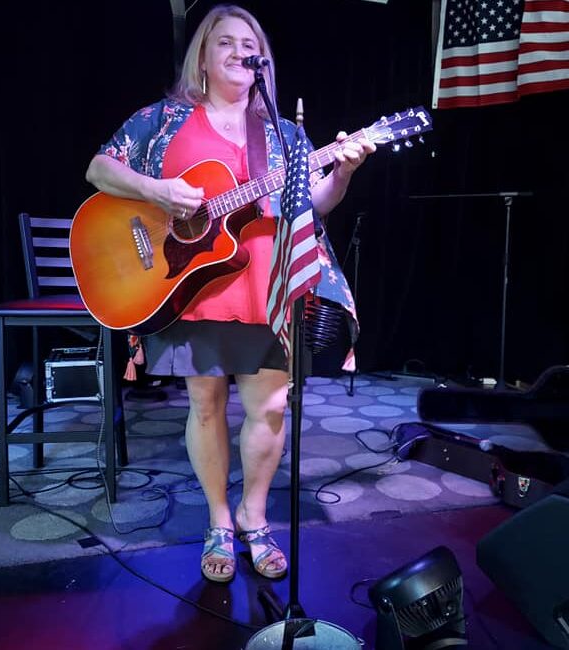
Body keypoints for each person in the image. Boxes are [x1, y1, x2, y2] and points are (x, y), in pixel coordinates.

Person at [85, 4, 375, 583]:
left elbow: (312, 207)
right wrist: (159, 190)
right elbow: (99, 169)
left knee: (270, 406)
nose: (241, 51)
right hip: (195, 284)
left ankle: (254, 515)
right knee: (206, 404)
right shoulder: (163, 120)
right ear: (204, 56)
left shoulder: (285, 134)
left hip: (266, 284)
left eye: (251, 43)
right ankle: (219, 519)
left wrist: (341, 173)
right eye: (226, 42)